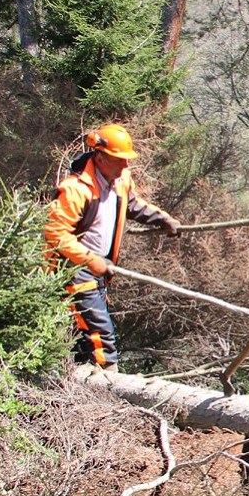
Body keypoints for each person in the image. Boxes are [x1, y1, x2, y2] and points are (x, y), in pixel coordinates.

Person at [43, 124, 180, 367]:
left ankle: (79, 383)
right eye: (120, 160)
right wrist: (90, 260)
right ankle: (108, 383)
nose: (125, 166)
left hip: (99, 270)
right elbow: (56, 233)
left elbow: (133, 205)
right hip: (74, 270)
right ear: (101, 158)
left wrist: (163, 219)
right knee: (100, 334)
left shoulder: (120, 181)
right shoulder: (75, 190)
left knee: (81, 338)